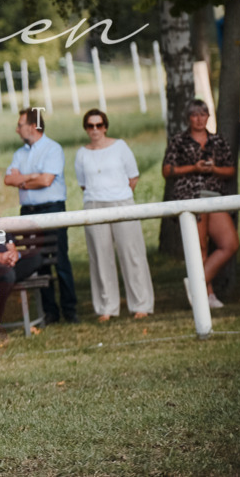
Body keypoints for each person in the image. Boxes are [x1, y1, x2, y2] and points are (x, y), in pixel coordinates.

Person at [74, 109, 154, 321]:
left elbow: (133, 177)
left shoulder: (120, 147)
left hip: (122, 202)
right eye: (90, 126)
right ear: (86, 129)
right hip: (93, 204)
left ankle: (141, 304)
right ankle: (106, 307)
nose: (95, 130)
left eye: (99, 125)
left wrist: (118, 196)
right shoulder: (82, 154)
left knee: (132, 254)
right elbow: (83, 184)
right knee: (100, 257)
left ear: (105, 126)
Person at [3, 108, 79, 324]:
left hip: (52, 211)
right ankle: (50, 313)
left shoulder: (53, 149)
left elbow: (47, 181)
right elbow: (8, 180)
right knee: (38, 261)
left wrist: (24, 181)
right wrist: (34, 176)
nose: (17, 129)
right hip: (29, 214)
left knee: (60, 261)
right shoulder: (19, 154)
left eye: (20, 125)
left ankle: (70, 310)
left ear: (33, 126)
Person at [162, 99, 239, 308]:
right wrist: (193, 168)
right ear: (188, 118)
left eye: (203, 114)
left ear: (208, 116)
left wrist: (213, 169)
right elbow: (167, 170)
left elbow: (231, 170)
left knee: (229, 243)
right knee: (200, 246)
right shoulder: (179, 140)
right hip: (189, 196)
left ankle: (197, 282)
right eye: (195, 115)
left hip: (213, 196)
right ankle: (207, 294)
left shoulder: (218, 141)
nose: (199, 119)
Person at [0, 188, 43, 326]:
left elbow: (11, 246)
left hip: (6, 264)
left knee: (36, 258)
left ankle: (5, 279)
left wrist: (14, 256)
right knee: (7, 275)